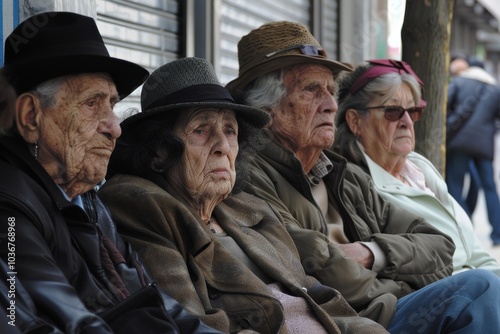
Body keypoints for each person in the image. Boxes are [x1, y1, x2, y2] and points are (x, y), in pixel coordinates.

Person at [227, 21, 500, 332]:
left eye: (331, 91)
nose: (331, 105)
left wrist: (373, 253)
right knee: (478, 289)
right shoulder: (248, 175)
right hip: (353, 321)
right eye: (312, 90)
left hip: (383, 311)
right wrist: (404, 284)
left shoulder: (345, 176)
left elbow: (441, 246)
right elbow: (314, 267)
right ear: (267, 107)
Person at [98, 57, 388, 334]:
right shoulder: (141, 205)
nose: (223, 145)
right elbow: (192, 321)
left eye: (230, 131)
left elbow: (317, 296)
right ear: (158, 150)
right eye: (201, 130)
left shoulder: (250, 209)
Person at [0, 12, 220, 333]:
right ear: (31, 116)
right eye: (92, 104)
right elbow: (72, 323)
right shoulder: (10, 206)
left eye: (112, 105)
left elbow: (158, 302)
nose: (115, 128)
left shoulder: (87, 201)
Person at [333, 58, 500, 277]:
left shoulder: (420, 167)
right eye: (392, 111)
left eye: (413, 111)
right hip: (445, 299)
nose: (407, 122)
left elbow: (474, 251)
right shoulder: (356, 183)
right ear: (355, 121)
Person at [446, 53, 500, 245]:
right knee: (490, 187)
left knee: (454, 186)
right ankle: (498, 234)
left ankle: (464, 226)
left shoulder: (459, 82)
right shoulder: (494, 88)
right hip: (484, 146)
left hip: (459, 144)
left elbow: (447, 107)